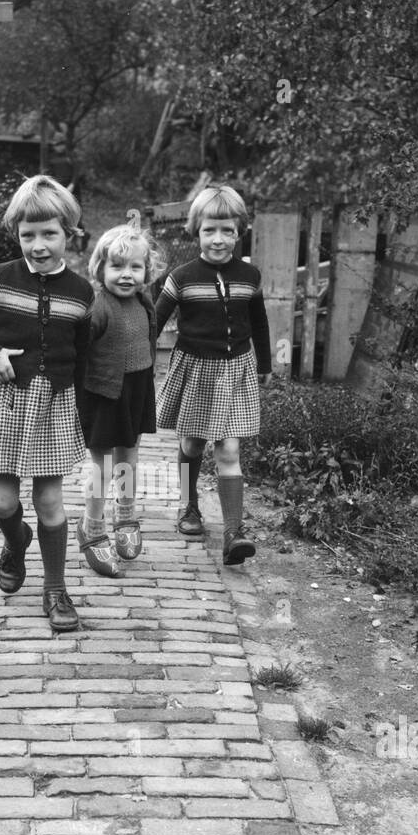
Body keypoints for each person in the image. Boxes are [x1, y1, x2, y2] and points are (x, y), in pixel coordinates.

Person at [0, 175, 93, 632]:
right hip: (4, 404)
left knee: (50, 501)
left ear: (69, 233)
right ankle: (15, 540)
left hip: (53, 409)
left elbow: (81, 358)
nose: (39, 245)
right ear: (16, 235)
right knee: (5, 504)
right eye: (28, 235)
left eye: (49, 234)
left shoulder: (83, 294)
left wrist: (83, 416)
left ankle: (55, 590)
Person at [154, 184, 272, 565]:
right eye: (210, 230)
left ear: (239, 232)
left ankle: (234, 532)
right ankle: (189, 506)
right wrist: (137, 364)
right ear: (196, 231)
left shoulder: (249, 277)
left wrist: (266, 365)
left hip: (236, 371)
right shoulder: (182, 277)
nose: (218, 239)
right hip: (194, 370)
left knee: (229, 448)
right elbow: (154, 322)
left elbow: (260, 323)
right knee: (191, 445)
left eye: (227, 230)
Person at [74, 225, 166, 576]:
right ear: (100, 269)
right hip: (105, 394)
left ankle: (125, 516)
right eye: (117, 267)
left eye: (135, 268)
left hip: (137, 389)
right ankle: (92, 527)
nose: (126, 275)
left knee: (129, 458)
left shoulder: (144, 301)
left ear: (147, 271)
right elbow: (79, 351)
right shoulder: (99, 307)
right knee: (104, 467)